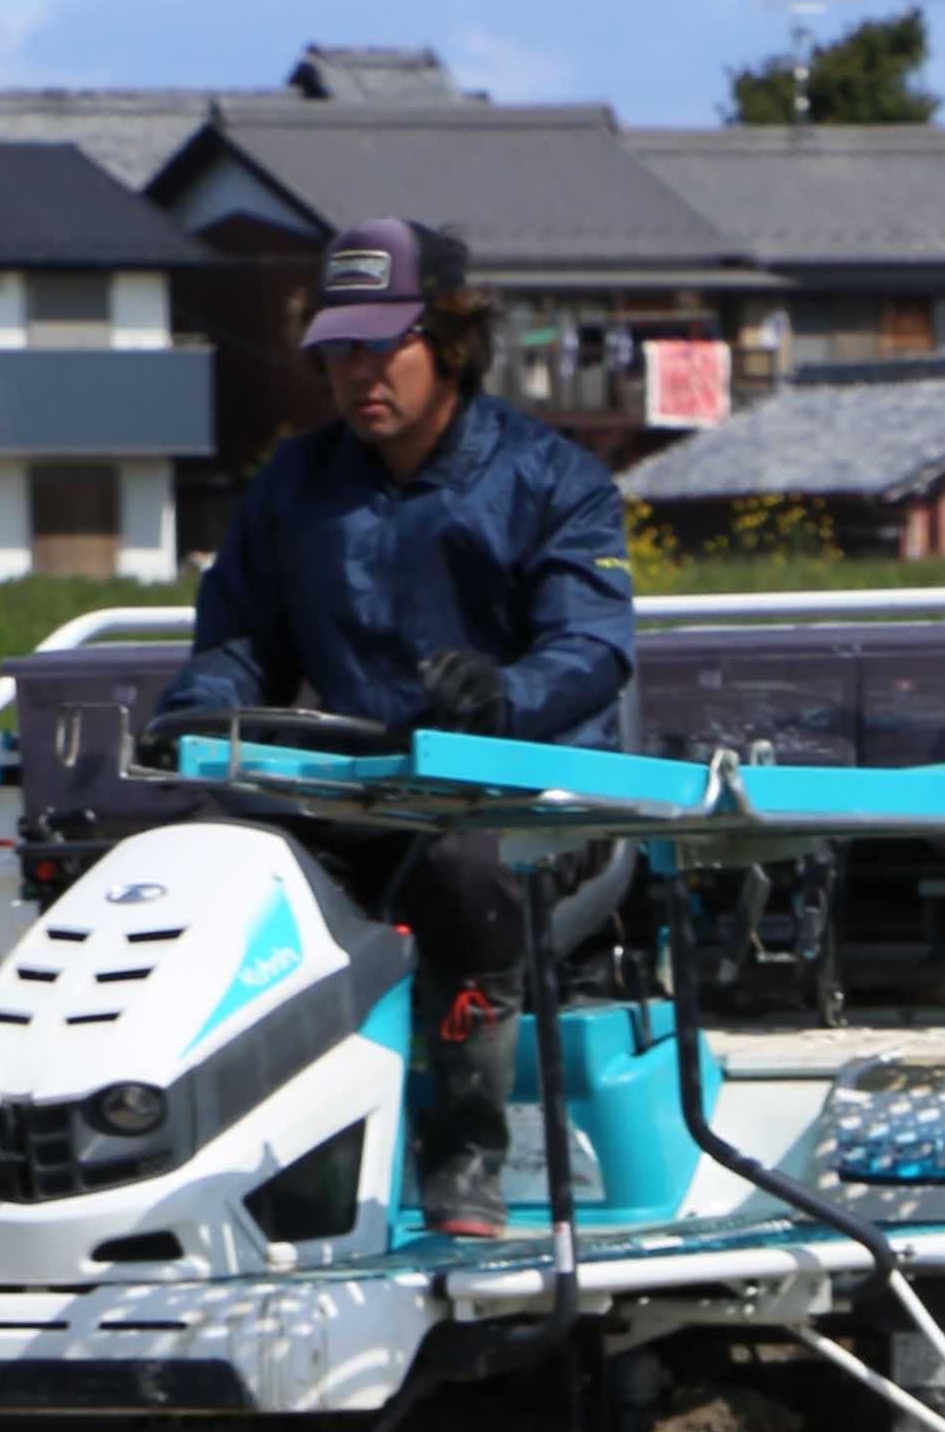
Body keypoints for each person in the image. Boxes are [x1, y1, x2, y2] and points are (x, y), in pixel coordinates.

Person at [154, 214, 633, 1236]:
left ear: (450, 343)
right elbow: (237, 644)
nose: (356, 372)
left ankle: (464, 1157)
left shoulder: (557, 479)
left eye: (382, 346)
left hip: (539, 803)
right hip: (363, 796)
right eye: (338, 350)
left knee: (465, 871)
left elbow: (591, 649)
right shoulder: (293, 485)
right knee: (208, 845)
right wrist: (196, 715)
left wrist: (505, 697)